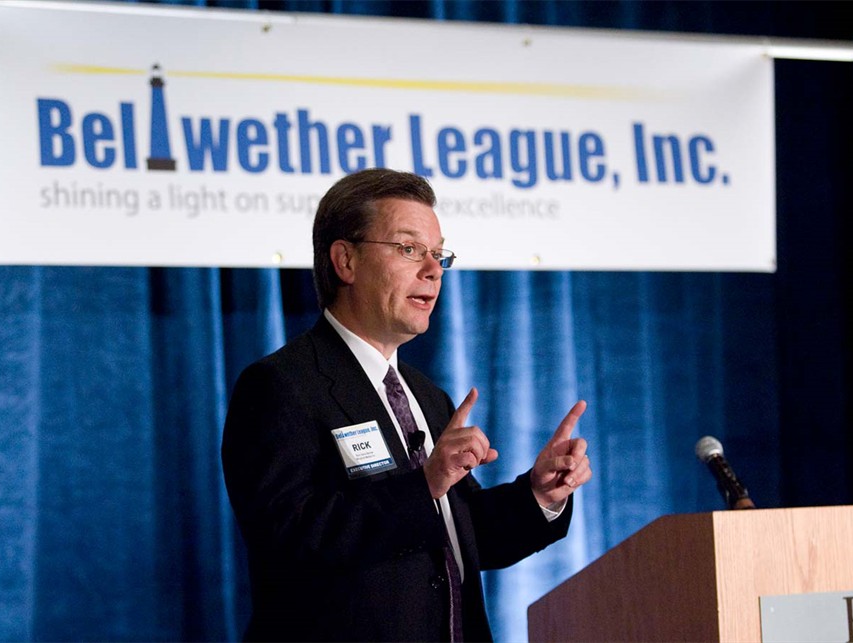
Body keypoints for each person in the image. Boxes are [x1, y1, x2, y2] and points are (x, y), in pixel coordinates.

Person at [221, 168, 592, 642]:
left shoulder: (425, 395)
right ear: (346, 261)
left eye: (438, 254)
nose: (433, 270)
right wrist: (425, 485)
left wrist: (541, 495)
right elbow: (290, 539)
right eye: (409, 249)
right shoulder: (280, 386)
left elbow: (463, 537)